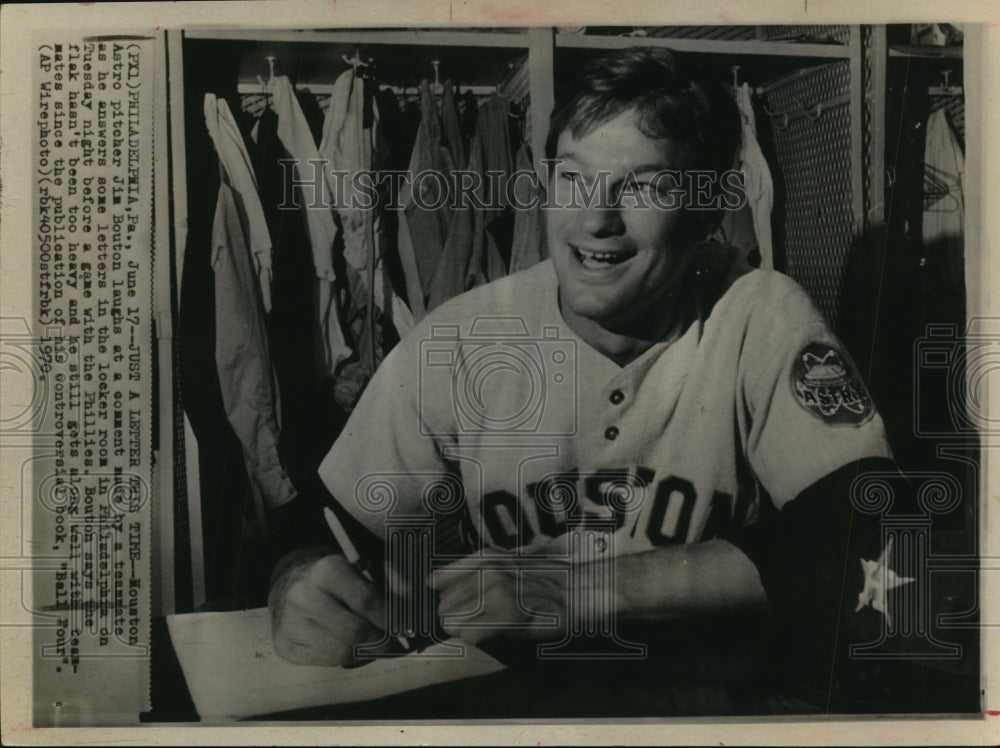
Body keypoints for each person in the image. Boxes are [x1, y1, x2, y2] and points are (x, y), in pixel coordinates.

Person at [267, 47, 911, 705]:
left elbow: (875, 528)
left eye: (644, 186)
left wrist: (581, 591)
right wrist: (300, 577)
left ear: (709, 210)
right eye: (573, 178)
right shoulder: (462, 336)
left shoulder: (756, 310)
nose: (596, 218)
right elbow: (327, 523)